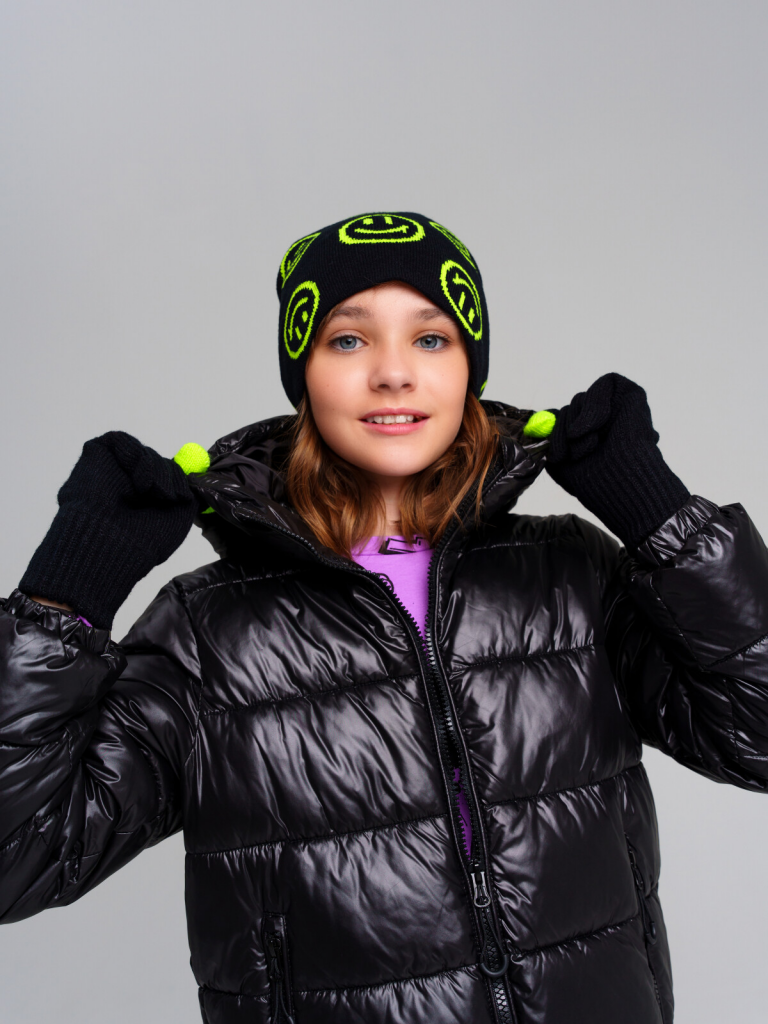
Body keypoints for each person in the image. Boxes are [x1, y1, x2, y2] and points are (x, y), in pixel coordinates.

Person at [1, 212, 766, 1024]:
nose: (394, 374)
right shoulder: (209, 633)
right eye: (348, 340)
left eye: (431, 338)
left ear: (470, 366)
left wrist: (660, 515)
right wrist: (67, 593)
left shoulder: (570, 573)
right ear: (304, 373)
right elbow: (19, 858)